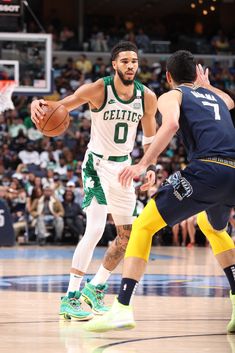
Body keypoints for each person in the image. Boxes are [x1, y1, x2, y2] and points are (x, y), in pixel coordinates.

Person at [84, 50, 235, 333]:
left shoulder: (173, 95)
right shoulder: (217, 97)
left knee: (142, 226)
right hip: (233, 173)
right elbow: (229, 100)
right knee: (212, 226)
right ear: (197, 76)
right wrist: (207, 85)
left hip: (208, 169)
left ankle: (122, 308)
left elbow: (173, 124)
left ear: (168, 77)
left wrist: (143, 163)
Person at [31, 41, 157, 320]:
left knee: (127, 237)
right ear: (114, 64)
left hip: (124, 169)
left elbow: (150, 137)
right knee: (96, 228)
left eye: (134, 61)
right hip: (96, 166)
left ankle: (95, 287)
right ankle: (71, 297)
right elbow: (59, 105)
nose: (130, 65)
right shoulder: (98, 89)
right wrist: (36, 103)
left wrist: (149, 166)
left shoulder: (147, 96)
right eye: (125, 61)